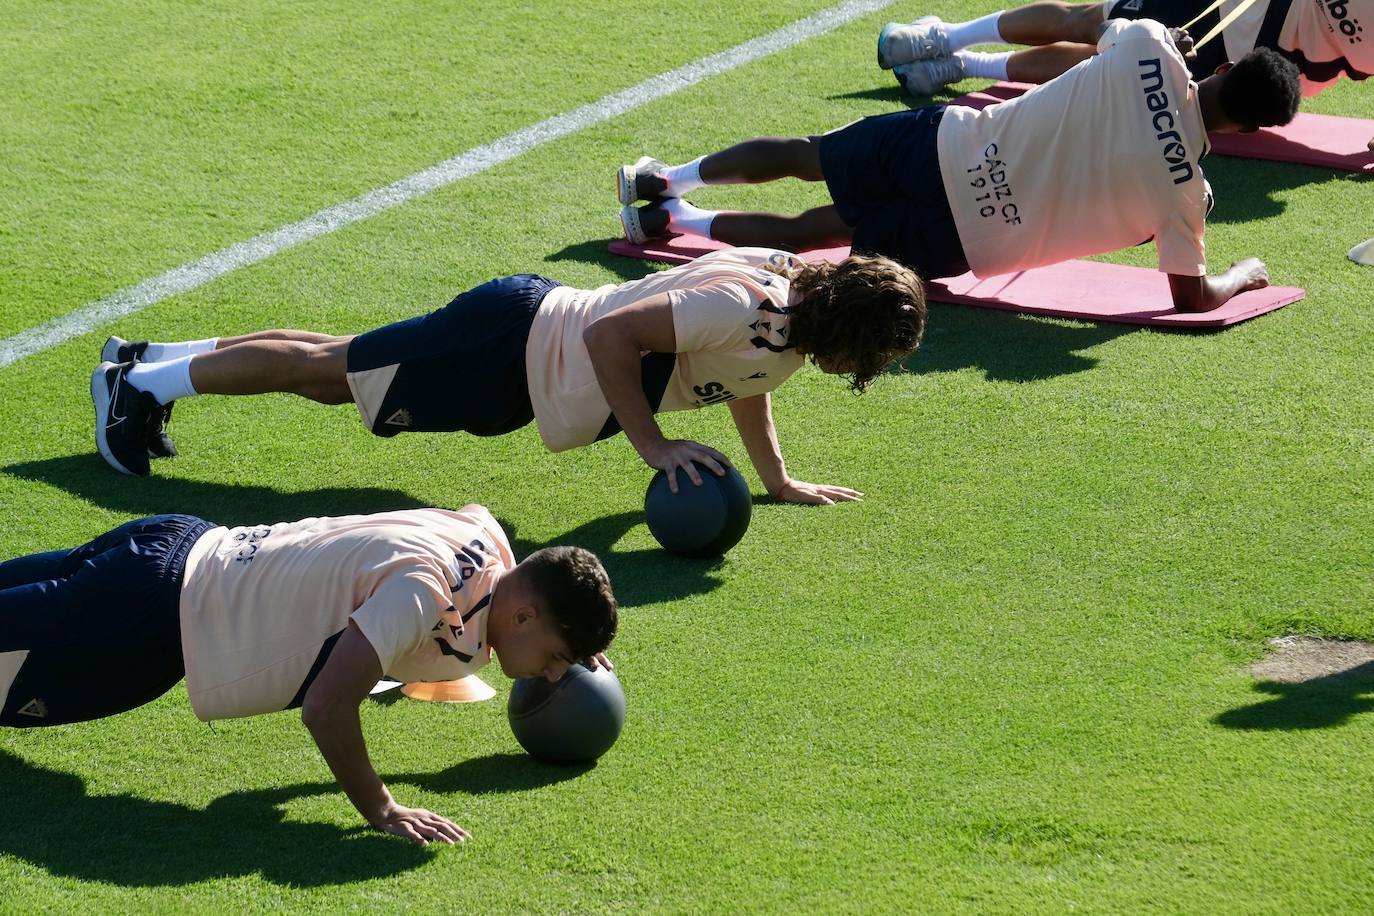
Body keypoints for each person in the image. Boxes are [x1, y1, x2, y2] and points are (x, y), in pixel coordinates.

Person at [92, 251, 926, 505]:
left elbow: (748, 380)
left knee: (342, 359)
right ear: (844, 327)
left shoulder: (778, 321)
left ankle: (149, 364)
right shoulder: (747, 310)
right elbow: (612, 333)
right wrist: (653, 443)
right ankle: (140, 391)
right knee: (327, 375)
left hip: (518, 353)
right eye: (870, 355)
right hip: (512, 349)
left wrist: (775, 478)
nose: (864, 371)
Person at [0, 505, 617, 845]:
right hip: (145, 625)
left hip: (175, 543)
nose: (551, 674)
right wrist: (381, 808)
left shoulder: (484, 538)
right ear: (527, 614)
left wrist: (574, 637)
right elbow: (326, 706)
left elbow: (497, 591)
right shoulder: (422, 596)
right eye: (558, 657)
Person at [617, 20, 1300, 314]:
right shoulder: (1187, 194)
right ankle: (673, 221)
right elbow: (1189, 296)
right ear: (1248, 128)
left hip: (948, 145)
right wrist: (1243, 276)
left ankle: (664, 182)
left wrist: (1173, 47)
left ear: (1229, 65)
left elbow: (1101, 27)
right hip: (972, 241)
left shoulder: (1150, 48)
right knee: (811, 232)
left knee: (808, 155)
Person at [875, 0, 1371, 104]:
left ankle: (949, 44)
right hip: (1258, 64)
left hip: (1246, 29)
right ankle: (953, 61)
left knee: (1093, 24)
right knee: (1104, 61)